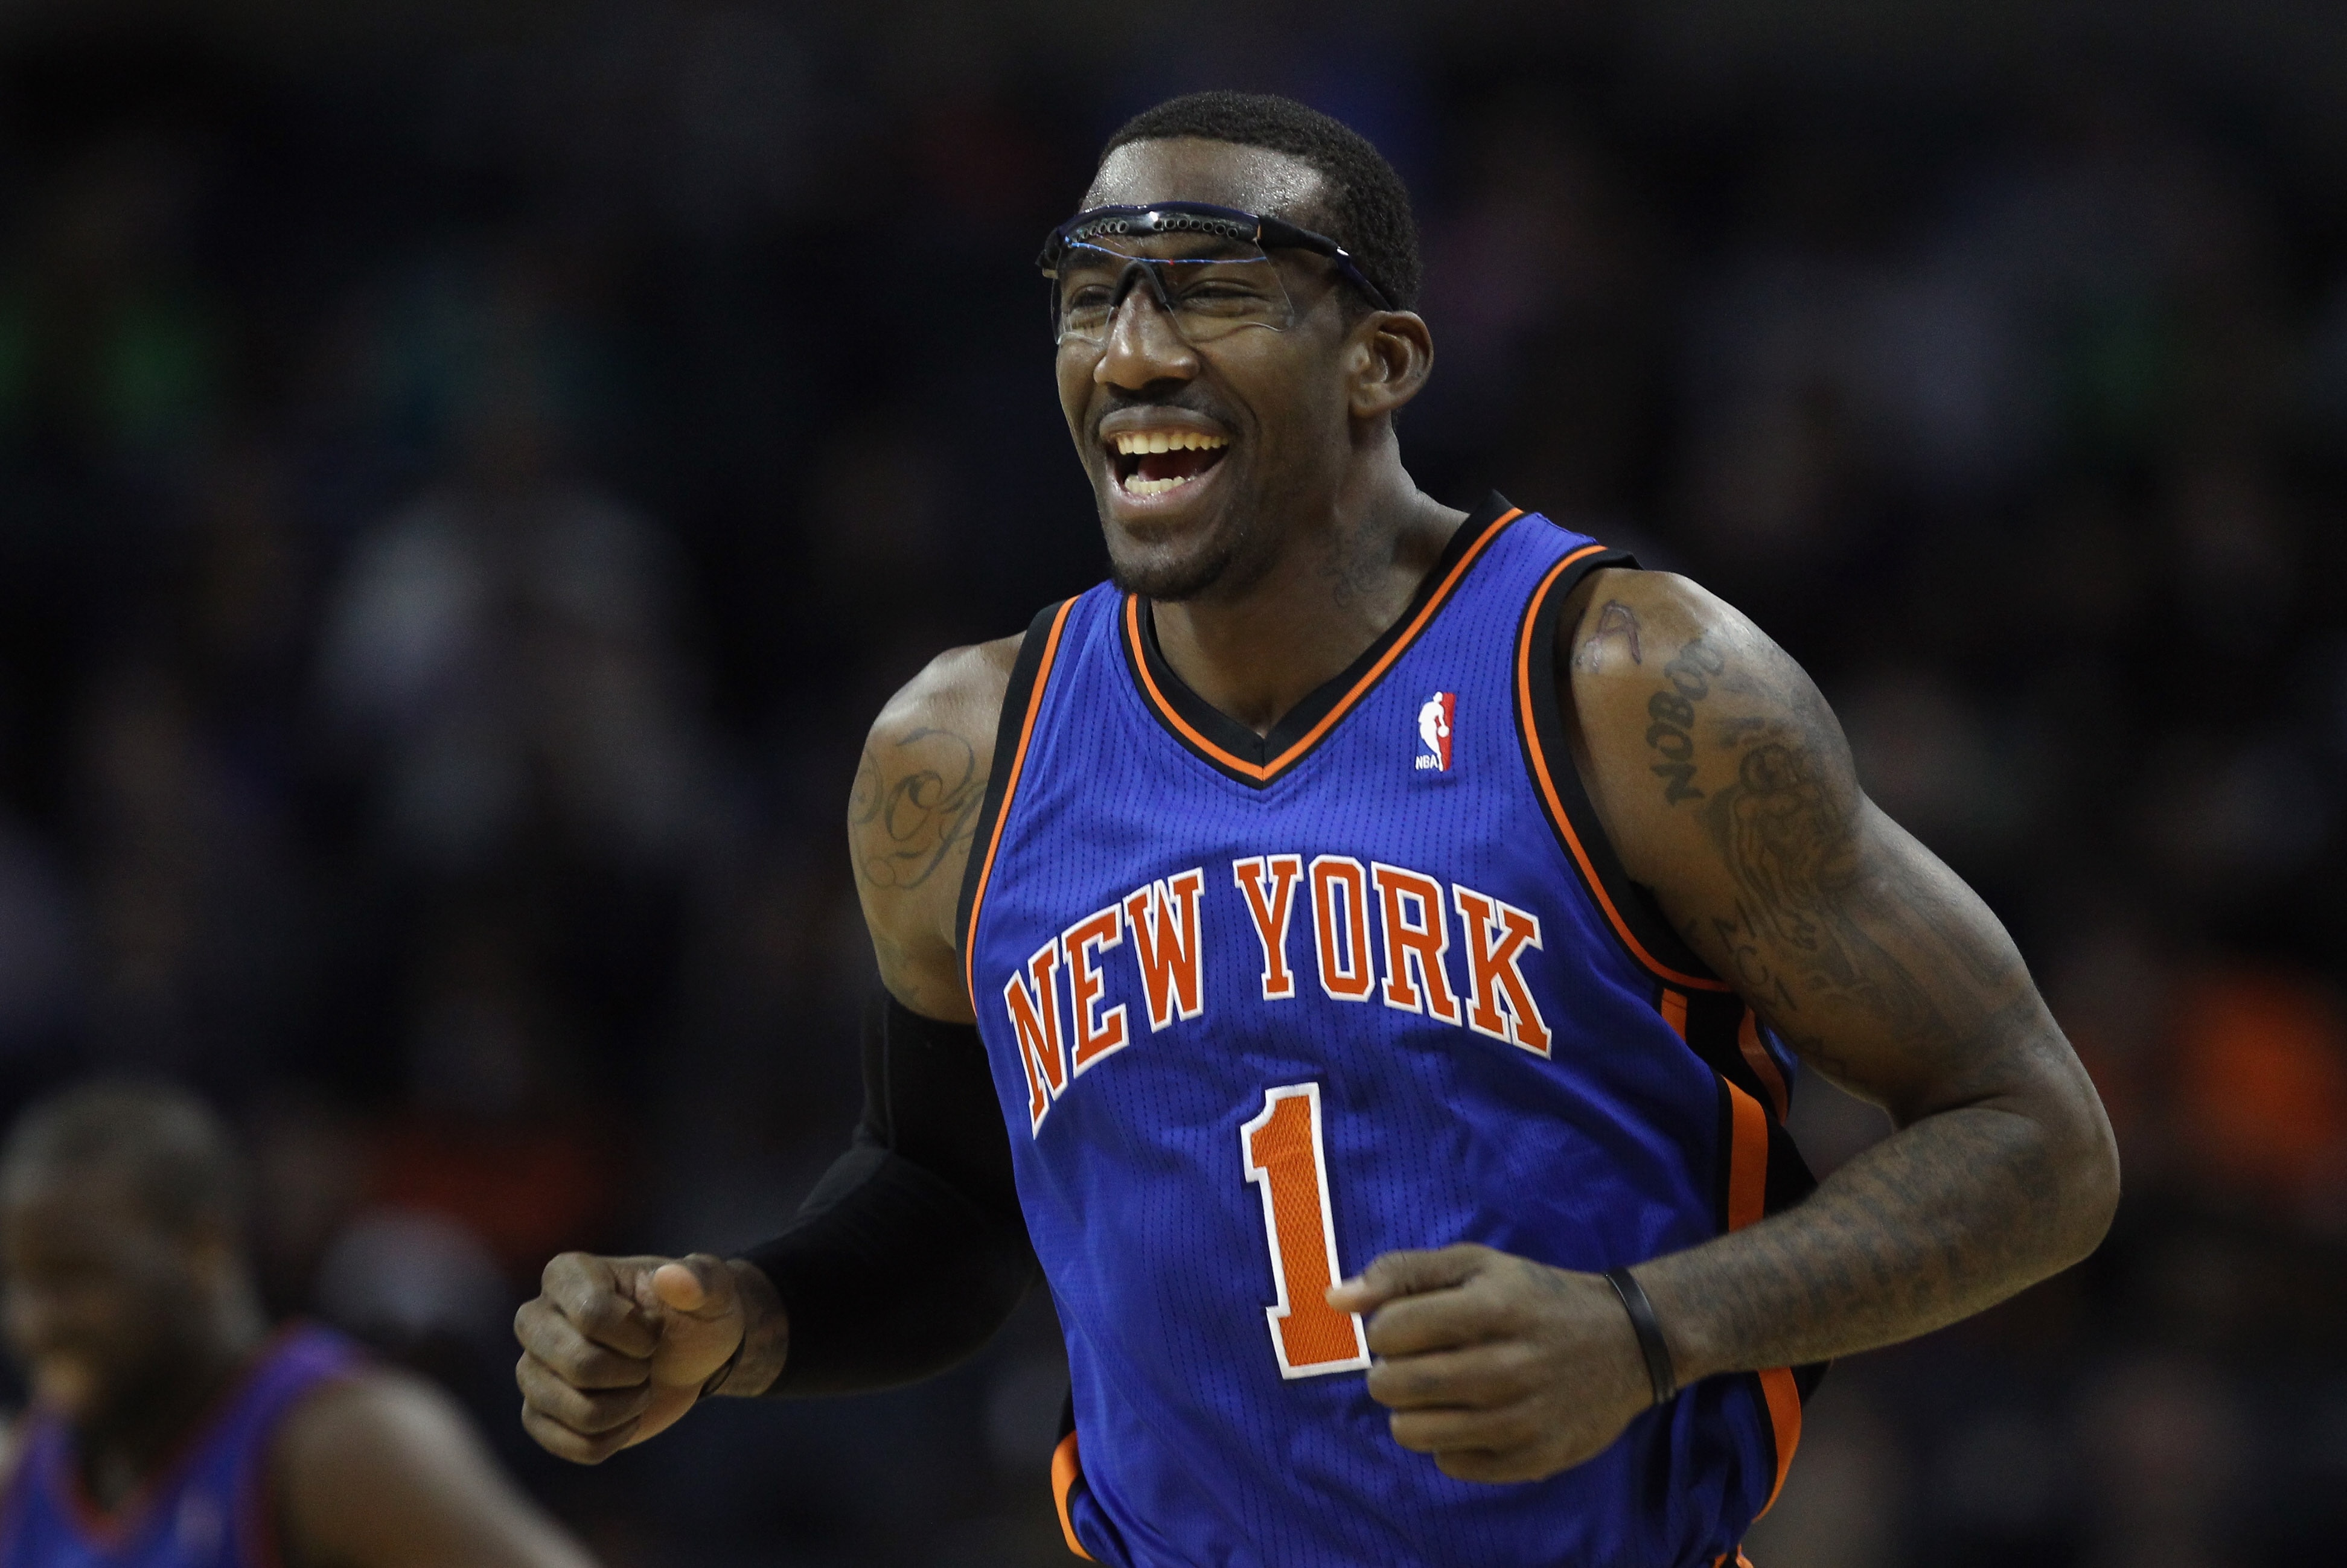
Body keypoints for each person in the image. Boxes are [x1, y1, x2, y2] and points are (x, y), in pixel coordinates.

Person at [514, 92, 2120, 1567]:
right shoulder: (957, 754)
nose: (1132, 347)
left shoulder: (1630, 686)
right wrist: (741, 1309)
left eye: (1211, 285)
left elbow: (2039, 1138)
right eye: (1091, 295)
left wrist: (1649, 1326)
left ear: (1385, 358)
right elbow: (948, 1192)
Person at [0, 1079, 598, 1568]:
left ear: (203, 1252)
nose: (33, 1320)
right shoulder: (29, 1464)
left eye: (74, 1277)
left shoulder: (342, 1444)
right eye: (17, 1281)